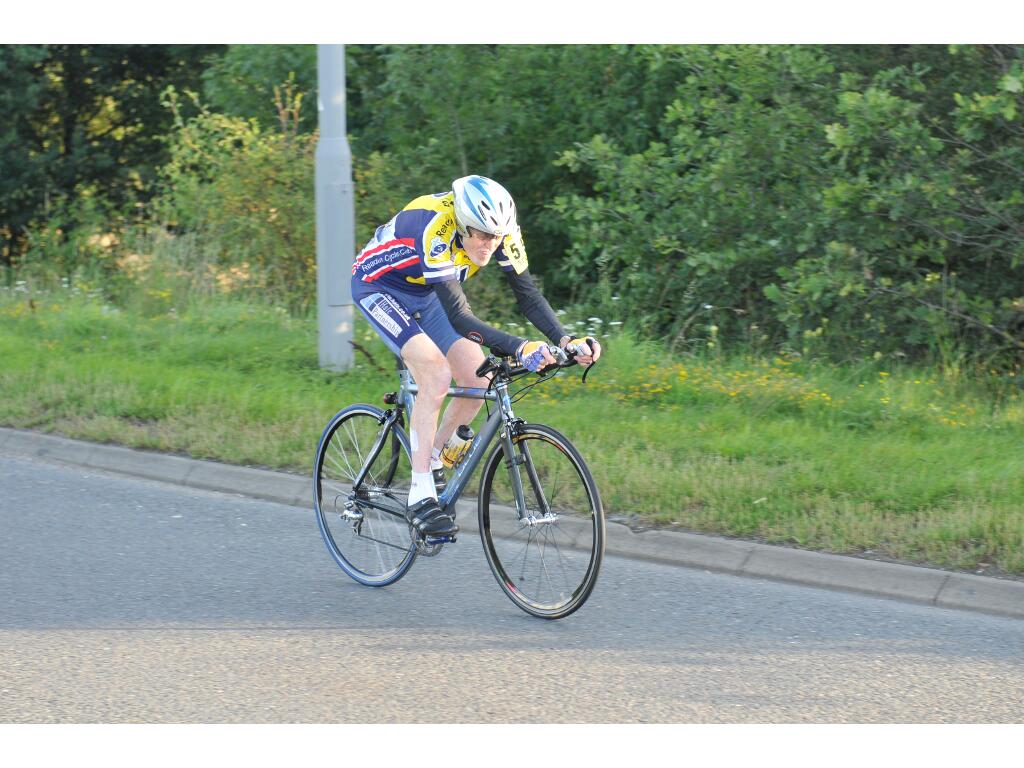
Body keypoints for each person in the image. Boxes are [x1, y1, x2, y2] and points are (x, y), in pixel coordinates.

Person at [351, 175, 601, 538]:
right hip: (378, 287)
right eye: (483, 236)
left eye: (497, 237)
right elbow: (459, 318)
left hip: (427, 294)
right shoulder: (436, 228)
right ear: (463, 225)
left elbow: (528, 295)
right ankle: (419, 495)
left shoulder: (502, 232)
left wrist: (567, 340)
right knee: (435, 374)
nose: (491, 244)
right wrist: (520, 347)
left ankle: (432, 460)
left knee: (478, 378)